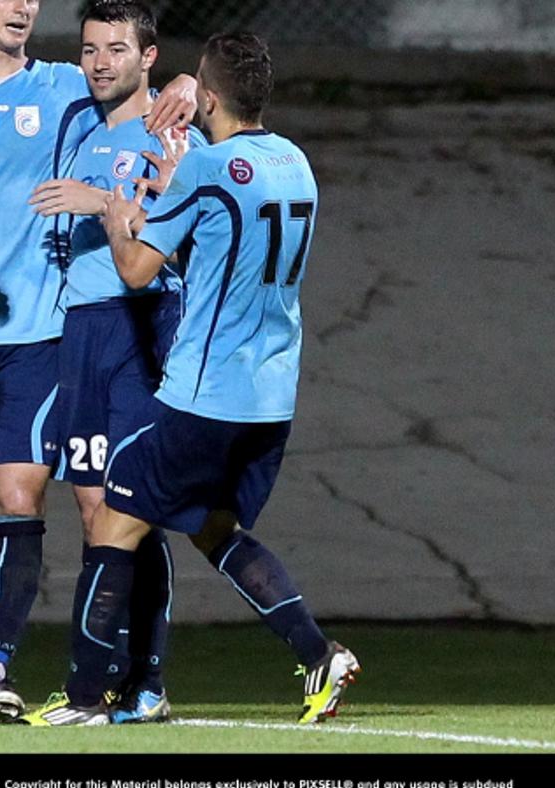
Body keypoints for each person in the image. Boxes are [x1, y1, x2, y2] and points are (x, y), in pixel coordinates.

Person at [28, 31, 359, 726]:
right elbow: (226, 240)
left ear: (206, 98)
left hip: (206, 395)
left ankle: (87, 698)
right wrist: (165, 203)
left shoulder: (206, 171)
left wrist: (120, 218)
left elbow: (135, 271)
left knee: (114, 527)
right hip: (271, 399)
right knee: (213, 528)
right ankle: (317, 653)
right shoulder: (295, 164)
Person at [0, 0, 197, 725]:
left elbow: (157, 89)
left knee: (54, 498)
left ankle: (49, 671)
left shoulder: (70, 85)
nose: (25, 5)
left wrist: (193, 85)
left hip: (43, 335)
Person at [24, 0, 204, 726]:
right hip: (82, 330)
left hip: (142, 322)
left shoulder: (170, 126)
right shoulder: (75, 114)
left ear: (147, 57)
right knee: (94, 506)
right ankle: (127, 685)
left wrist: (97, 199)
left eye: (117, 49)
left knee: (131, 507)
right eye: (91, 48)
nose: (101, 62)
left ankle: (129, 683)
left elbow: (182, 211)